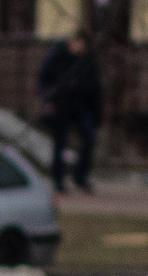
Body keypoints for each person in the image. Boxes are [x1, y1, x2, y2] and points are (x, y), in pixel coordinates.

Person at [37, 30, 102, 194]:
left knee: (89, 139)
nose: (80, 48)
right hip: (61, 105)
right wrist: (49, 101)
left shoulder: (87, 62)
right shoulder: (57, 57)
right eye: (78, 44)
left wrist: (96, 112)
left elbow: (95, 88)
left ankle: (80, 177)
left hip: (81, 106)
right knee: (60, 143)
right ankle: (58, 180)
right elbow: (44, 80)